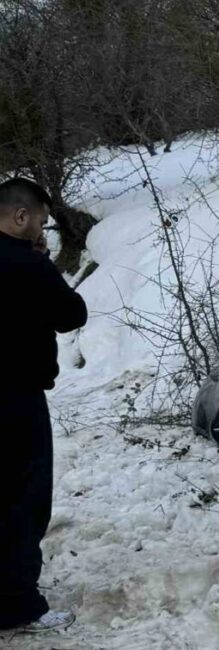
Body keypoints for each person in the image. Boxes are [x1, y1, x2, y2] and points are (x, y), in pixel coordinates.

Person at [0, 177, 87, 633]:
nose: (41, 230)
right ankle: (17, 606)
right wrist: (46, 270)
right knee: (23, 501)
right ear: (20, 216)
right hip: (15, 403)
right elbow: (72, 314)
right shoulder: (28, 266)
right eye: (40, 221)